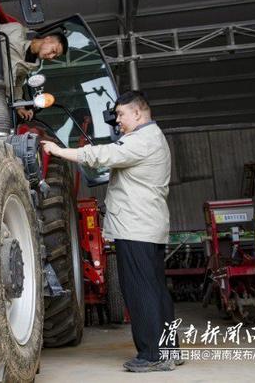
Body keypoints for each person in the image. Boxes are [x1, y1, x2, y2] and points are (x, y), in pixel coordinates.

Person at [40, 90, 178, 373]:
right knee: (155, 290)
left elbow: (102, 154)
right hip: (147, 226)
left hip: (137, 228)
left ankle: (151, 354)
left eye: (121, 115)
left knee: (140, 291)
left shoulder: (143, 140)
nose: (118, 121)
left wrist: (57, 151)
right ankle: (168, 350)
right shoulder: (152, 137)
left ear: (137, 113)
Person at [0, 22, 68, 121]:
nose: (51, 57)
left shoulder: (32, 65)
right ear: (47, 39)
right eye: (53, 50)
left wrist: (20, 105)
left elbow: (17, 84)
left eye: (55, 56)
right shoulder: (16, 31)